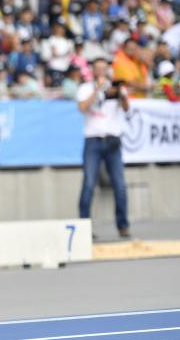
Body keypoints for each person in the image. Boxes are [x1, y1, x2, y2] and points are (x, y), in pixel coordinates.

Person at [76, 58, 131, 238]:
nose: (101, 71)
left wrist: (120, 94)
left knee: (120, 185)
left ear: (108, 70)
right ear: (93, 70)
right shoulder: (85, 88)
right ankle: (85, 228)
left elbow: (126, 108)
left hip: (112, 139)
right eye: (97, 68)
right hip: (93, 139)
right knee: (89, 184)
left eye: (103, 68)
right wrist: (97, 89)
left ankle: (123, 225)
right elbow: (82, 107)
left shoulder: (116, 86)